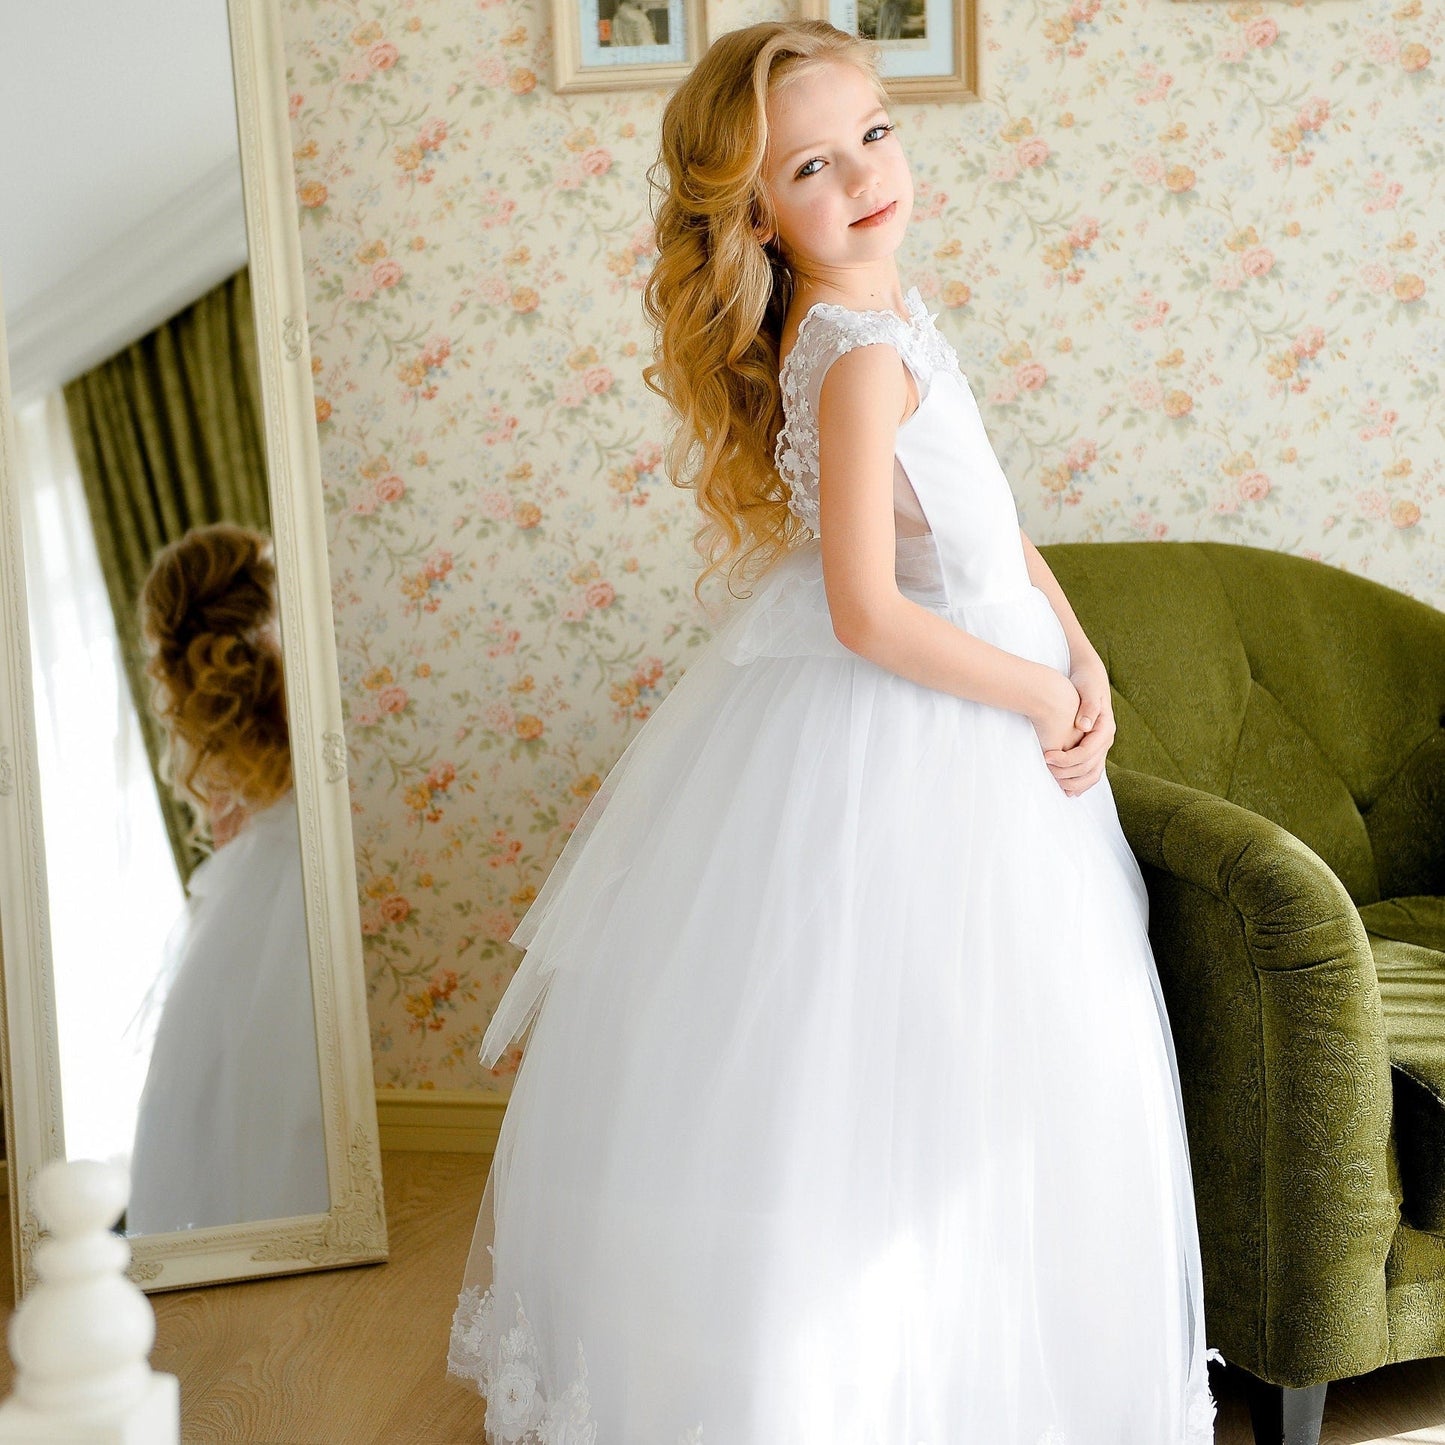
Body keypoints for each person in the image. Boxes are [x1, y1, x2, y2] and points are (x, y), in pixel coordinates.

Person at [447, 19, 1221, 1443]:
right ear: (755, 213)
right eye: (813, 164)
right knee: (916, 1081)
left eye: (875, 132)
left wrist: (1078, 638)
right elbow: (868, 608)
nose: (865, 173)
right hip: (934, 738)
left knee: (1001, 1082)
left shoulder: (896, 310)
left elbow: (980, 523)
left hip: (997, 714)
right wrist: (1041, 692)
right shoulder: (858, 354)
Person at [126, 523, 329, 1235]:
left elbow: (228, 826)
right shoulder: (314, 662)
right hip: (289, 883)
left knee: (244, 1109)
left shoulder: (231, 729)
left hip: (251, 901)